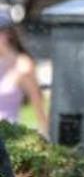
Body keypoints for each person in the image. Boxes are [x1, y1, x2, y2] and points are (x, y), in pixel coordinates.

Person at [0, 9, 48, 138]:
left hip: (7, 139)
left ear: (7, 34)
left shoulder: (23, 66)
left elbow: (39, 106)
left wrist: (45, 139)